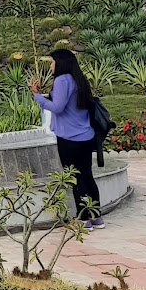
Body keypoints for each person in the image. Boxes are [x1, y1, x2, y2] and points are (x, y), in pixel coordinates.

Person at [31, 50, 103, 227]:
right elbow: (66, 102)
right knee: (87, 175)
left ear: (61, 63)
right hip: (85, 135)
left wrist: (37, 97)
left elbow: (58, 107)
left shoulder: (62, 80)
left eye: (52, 62)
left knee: (75, 177)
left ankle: (83, 219)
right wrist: (45, 96)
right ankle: (96, 217)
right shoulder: (78, 79)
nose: (51, 65)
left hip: (69, 138)